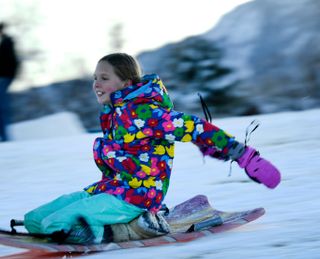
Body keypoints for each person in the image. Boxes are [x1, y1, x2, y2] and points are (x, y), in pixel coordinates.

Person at [23, 53, 281, 244]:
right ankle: (96, 226)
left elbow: (196, 127)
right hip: (112, 189)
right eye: (95, 78)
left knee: (57, 225)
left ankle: (133, 227)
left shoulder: (146, 112)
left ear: (126, 82)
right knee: (35, 220)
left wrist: (243, 155)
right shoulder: (114, 113)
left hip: (137, 196)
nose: (96, 84)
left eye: (104, 78)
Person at [0, 22, 19, 142]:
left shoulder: (7, 43)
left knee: (2, 107)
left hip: (4, 77)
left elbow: (12, 62)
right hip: (5, 77)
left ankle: (5, 137)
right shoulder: (6, 42)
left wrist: (9, 75)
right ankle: (5, 136)